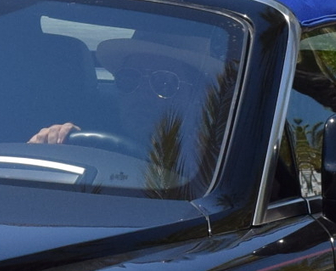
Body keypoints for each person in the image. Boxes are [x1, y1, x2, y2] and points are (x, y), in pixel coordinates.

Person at [26, 37, 224, 186]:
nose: (141, 94)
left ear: (198, 97)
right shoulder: (86, 142)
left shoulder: (219, 165)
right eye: (129, 78)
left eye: (164, 82)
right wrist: (48, 147)